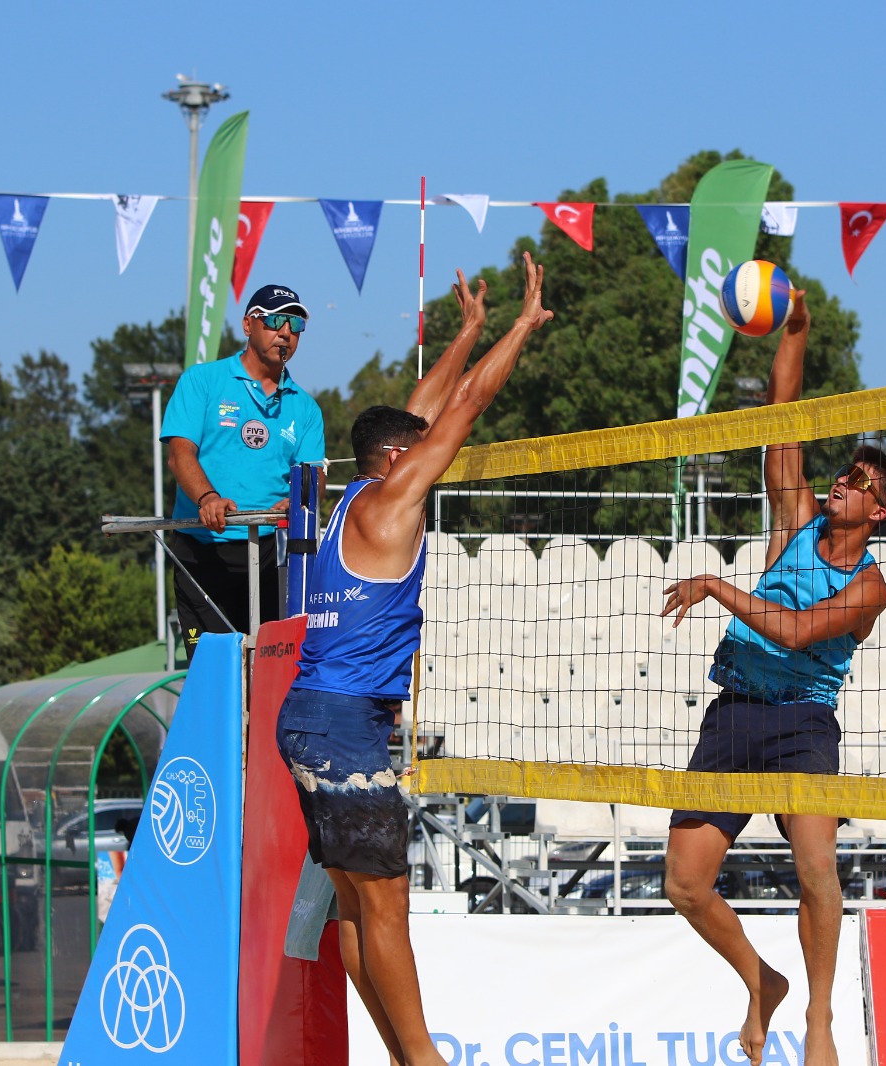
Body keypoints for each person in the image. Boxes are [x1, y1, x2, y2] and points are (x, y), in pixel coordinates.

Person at [276, 259, 550, 1066]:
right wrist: (522, 326)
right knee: (384, 910)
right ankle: (425, 1059)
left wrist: (466, 330)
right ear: (399, 460)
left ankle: (402, 1057)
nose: (437, 458)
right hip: (344, 727)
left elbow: (425, 410)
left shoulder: (355, 495)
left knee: (362, 912)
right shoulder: (397, 502)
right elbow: (463, 406)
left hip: (315, 716)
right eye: (422, 453)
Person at [659, 290, 886, 1066]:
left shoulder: (872, 585)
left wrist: (717, 586)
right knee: (685, 884)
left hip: (803, 720)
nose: (846, 480)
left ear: (879, 513)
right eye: (847, 471)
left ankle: (822, 1021)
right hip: (737, 710)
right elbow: (783, 411)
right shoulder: (794, 518)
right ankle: (761, 981)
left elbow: (799, 631)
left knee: (815, 868)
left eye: (863, 482)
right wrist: (795, 330)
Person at [162, 284, 327, 659]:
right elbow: (179, 455)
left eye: (295, 323)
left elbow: (313, 474)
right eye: (275, 320)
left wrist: (299, 498)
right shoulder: (202, 381)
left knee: (264, 673)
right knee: (214, 671)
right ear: (248, 325)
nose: (285, 332)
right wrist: (207, 498)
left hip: (266, 554)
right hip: (204, 551)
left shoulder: (305, 408)